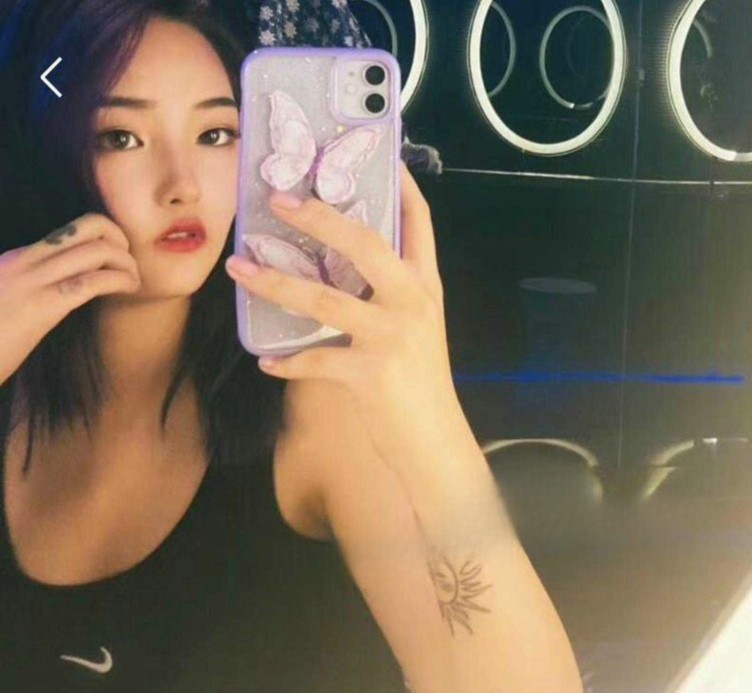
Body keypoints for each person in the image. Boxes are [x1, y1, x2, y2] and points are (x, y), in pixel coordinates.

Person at [0, 1, 583, 691]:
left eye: (216, 133)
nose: (182, 184)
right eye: (121, 137)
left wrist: (431, 419)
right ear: (42, 153)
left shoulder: (316, 412)